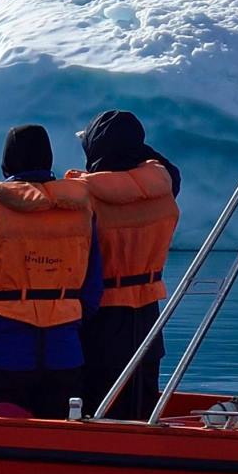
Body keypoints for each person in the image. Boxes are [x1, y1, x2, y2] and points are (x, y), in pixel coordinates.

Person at [0, 124, 95, 415]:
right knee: (59, 427)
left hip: (3, 347)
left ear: (8, 162)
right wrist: (71, 316)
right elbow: (93, 283)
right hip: (63, 348)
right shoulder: (80, 213)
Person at [73, 108, 183, 421]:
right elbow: (171, 171)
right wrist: (139, 151)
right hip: (147, 313)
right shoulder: (163, 191)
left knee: (96, 399)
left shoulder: (87, 195)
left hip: (100, 315)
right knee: (141, 396)